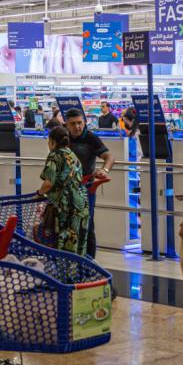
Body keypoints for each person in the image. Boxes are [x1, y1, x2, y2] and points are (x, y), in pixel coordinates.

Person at [64, 109, 115, 258]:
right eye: (73, 124)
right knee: (66, 225)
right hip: (65, 189)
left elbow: (109, 157)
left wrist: (104, 169)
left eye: (80, 123)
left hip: (86, 189)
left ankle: (89, 262)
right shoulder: (63, 137)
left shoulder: (91, 138)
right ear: (66, 124)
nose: (77, 126)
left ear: (84, 122)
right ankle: (69, 259)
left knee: (87, 225)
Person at [36, 126, 90, 255]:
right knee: (78, 243)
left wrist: (39, 193)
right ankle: (78, 267)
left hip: (66, 206)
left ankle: (64, 268)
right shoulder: (72, 154)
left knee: (65, 242)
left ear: (53, 141)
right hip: (81, 204)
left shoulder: (55, 155)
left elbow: (49, 183)